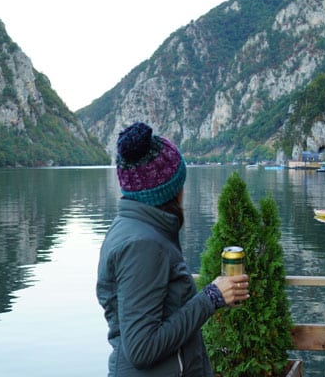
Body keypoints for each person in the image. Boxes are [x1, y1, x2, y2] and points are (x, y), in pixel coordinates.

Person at [96, 122, 249, 376]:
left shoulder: (133, 228)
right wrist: (211, 297)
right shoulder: (142, 245)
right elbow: (142, 348)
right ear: (170, 190)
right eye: (181, 183)